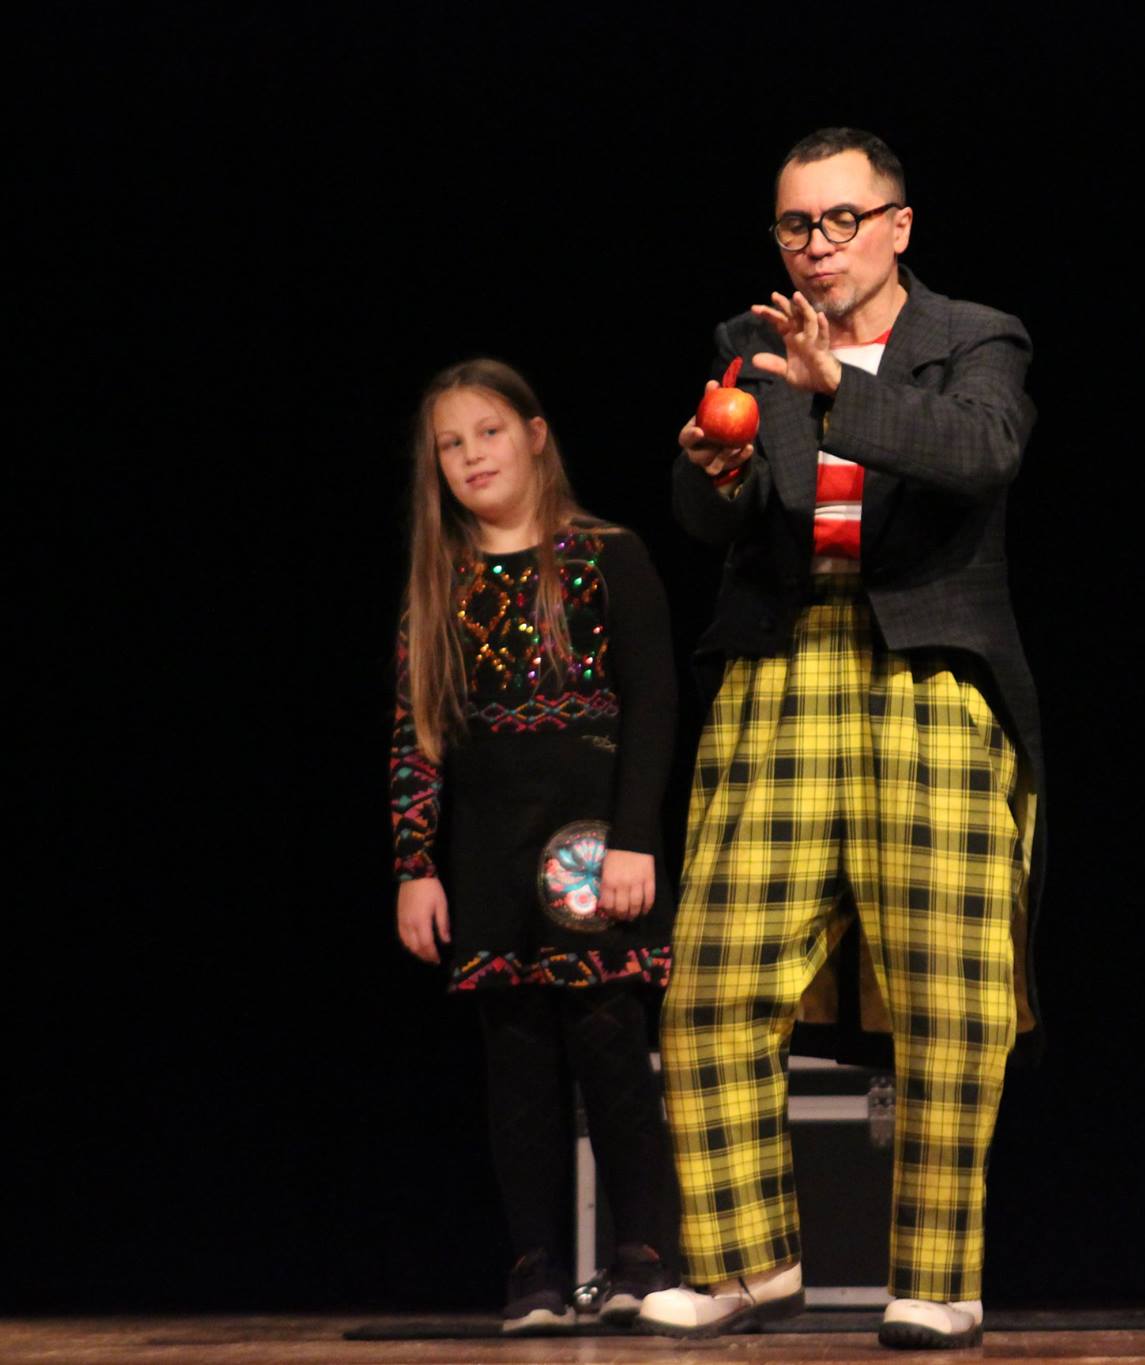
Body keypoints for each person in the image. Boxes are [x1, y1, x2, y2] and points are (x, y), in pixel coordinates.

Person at [636, 129, 1045, 1351]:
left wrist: (834, 392)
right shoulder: (747, 342)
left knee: (951, 994)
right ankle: (744, 1266)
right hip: (782, 663)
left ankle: (938, 1282)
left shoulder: (973, 338)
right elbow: (713, 519)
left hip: (924, 670)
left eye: (839, 220)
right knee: (712, 985)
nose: (814, 247)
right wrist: (710, 471)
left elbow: (982, 450)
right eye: (793, 225)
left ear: (896, 226)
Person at [389, 359, 682, 1333]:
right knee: (515, 1063)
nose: (471, 455)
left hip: (590, 844)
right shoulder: (440, 584)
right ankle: (536, 1268)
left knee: (609, 1043)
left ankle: (643, 1256)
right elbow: (417, 735)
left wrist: (635, 842)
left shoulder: (604, 557)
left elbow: (652, 705)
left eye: (488, 432)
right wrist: (415, 864)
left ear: (534, 436)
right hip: (489, 852)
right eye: (450, 443)